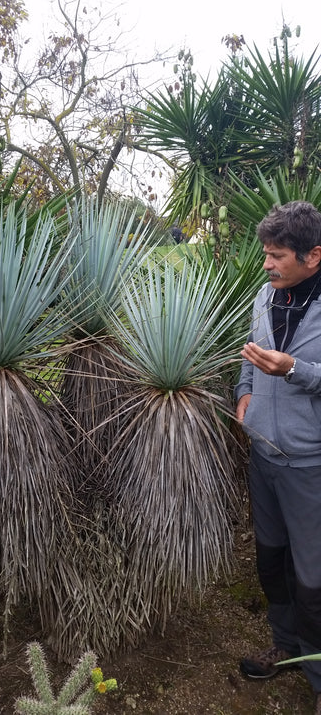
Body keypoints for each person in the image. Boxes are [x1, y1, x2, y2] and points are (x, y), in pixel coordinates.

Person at [235, 200, 321, 714]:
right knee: (271, 561)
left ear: (314, 256)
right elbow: (250, 354)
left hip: (310, 464)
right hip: (262, 456)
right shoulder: (264, 297)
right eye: (265, 253)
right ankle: (285, 647)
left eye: (277, 255)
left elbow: (303, 371)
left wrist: (294, 370)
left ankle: (318, 674)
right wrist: (245, 393)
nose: (267, 264)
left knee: (313, 578)